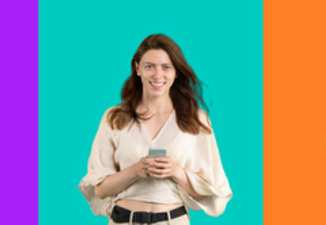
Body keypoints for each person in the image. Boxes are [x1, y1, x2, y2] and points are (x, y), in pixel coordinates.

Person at [79, 34, 232, 225]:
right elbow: (100, 189)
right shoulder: (114, 117)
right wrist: (135, 171)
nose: (157, 75)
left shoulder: (196, 119)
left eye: (166, 67)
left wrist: (177, 172)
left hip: (172, 220)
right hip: (123, 220)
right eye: (149, 66)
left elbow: (211, 191)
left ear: (176, 72)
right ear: (137, 68)